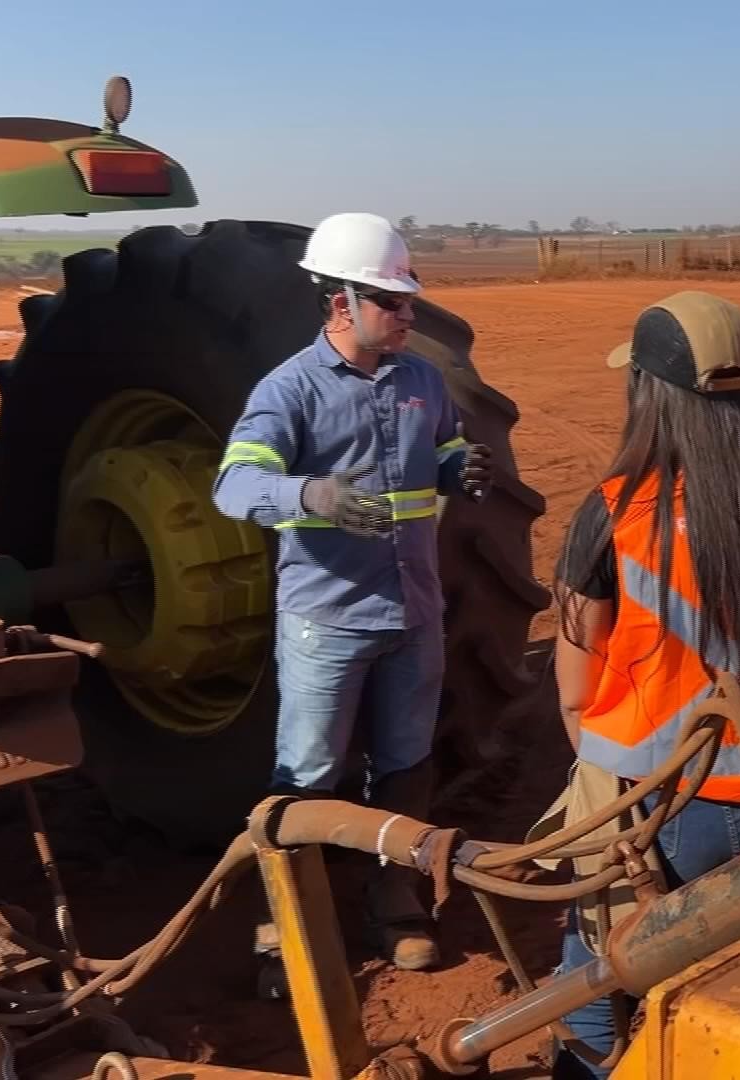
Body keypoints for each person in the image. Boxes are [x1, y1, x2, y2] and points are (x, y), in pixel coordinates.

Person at [550, 291, 740, 1079]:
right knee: (737, 1001)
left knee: (595, 981)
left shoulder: (617, 514)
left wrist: (606, 791)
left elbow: (577, 690)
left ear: (646, 392)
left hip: (651, 808)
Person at [212, 212, 493, 979]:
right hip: (327, 622)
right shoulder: (290, 390)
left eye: (407, 302)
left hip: (414, 613)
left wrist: (458, 466)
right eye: (391, 304)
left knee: (406, 764)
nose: (407, 316)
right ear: (341, 303)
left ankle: (397, 909)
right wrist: (311, 493)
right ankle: (285, 930)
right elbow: (234, 483)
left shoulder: (421, 380)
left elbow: (445, 445)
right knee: (304, 776)